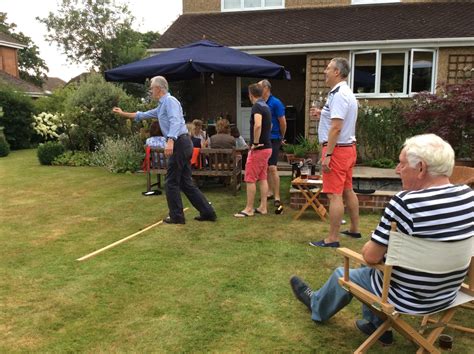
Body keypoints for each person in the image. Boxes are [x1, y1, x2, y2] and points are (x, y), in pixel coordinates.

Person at [290, 134, 474, 346]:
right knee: (378, 270)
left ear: (421, 168)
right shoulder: (468, 197)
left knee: (348, 272)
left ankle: (317, 303)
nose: (397, 169)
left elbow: (370, 256)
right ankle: (374, 324)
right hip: (449, 291)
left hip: (408, 298)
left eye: (402, 164)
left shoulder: (405, 203)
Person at [112, 76, 217, 224]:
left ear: (159, 89)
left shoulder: (170, 101)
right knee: (185, 183)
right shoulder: (162, 106)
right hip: (183, 143)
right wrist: (123, 113)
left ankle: (177, 217)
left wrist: (170, 140)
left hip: (180, 143)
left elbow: (175, 121)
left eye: (151, 88)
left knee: (171, 182)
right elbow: (143, 115)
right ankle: (208, 212)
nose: (150, 91)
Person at [309, 57, 360, 248]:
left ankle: (332, 238)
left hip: (337, 151)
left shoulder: (338, 94)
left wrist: (327, 155)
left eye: (328, 68)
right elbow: (339, 119)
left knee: (334, 195)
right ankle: (354, 229)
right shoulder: (345, 92)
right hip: (348, 149)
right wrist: (322, 113)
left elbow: (336, 128)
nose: (325, 71)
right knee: (347, 190)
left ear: (337, 72)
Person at [234, 83, 272, 217]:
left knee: (250, 178)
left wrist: (255, 143)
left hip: (259, 148)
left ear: (251, 95)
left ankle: (249, 209)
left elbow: (258, 125)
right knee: (262, 177)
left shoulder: (256, 106)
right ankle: (263, 207)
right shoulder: (266, 106)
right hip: (268, 147)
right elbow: (270, 125)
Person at [258, 79, 286, 208]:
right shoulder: (260, 103)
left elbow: (283, 122)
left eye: (259, 87)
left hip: (274, 138)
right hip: (263, 138)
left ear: (266, 88)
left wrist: (282, 136)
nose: (257, 89)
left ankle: (277, 196)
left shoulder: (276, 103)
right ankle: (268, 192)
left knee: (272, 168)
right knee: (265, 167)